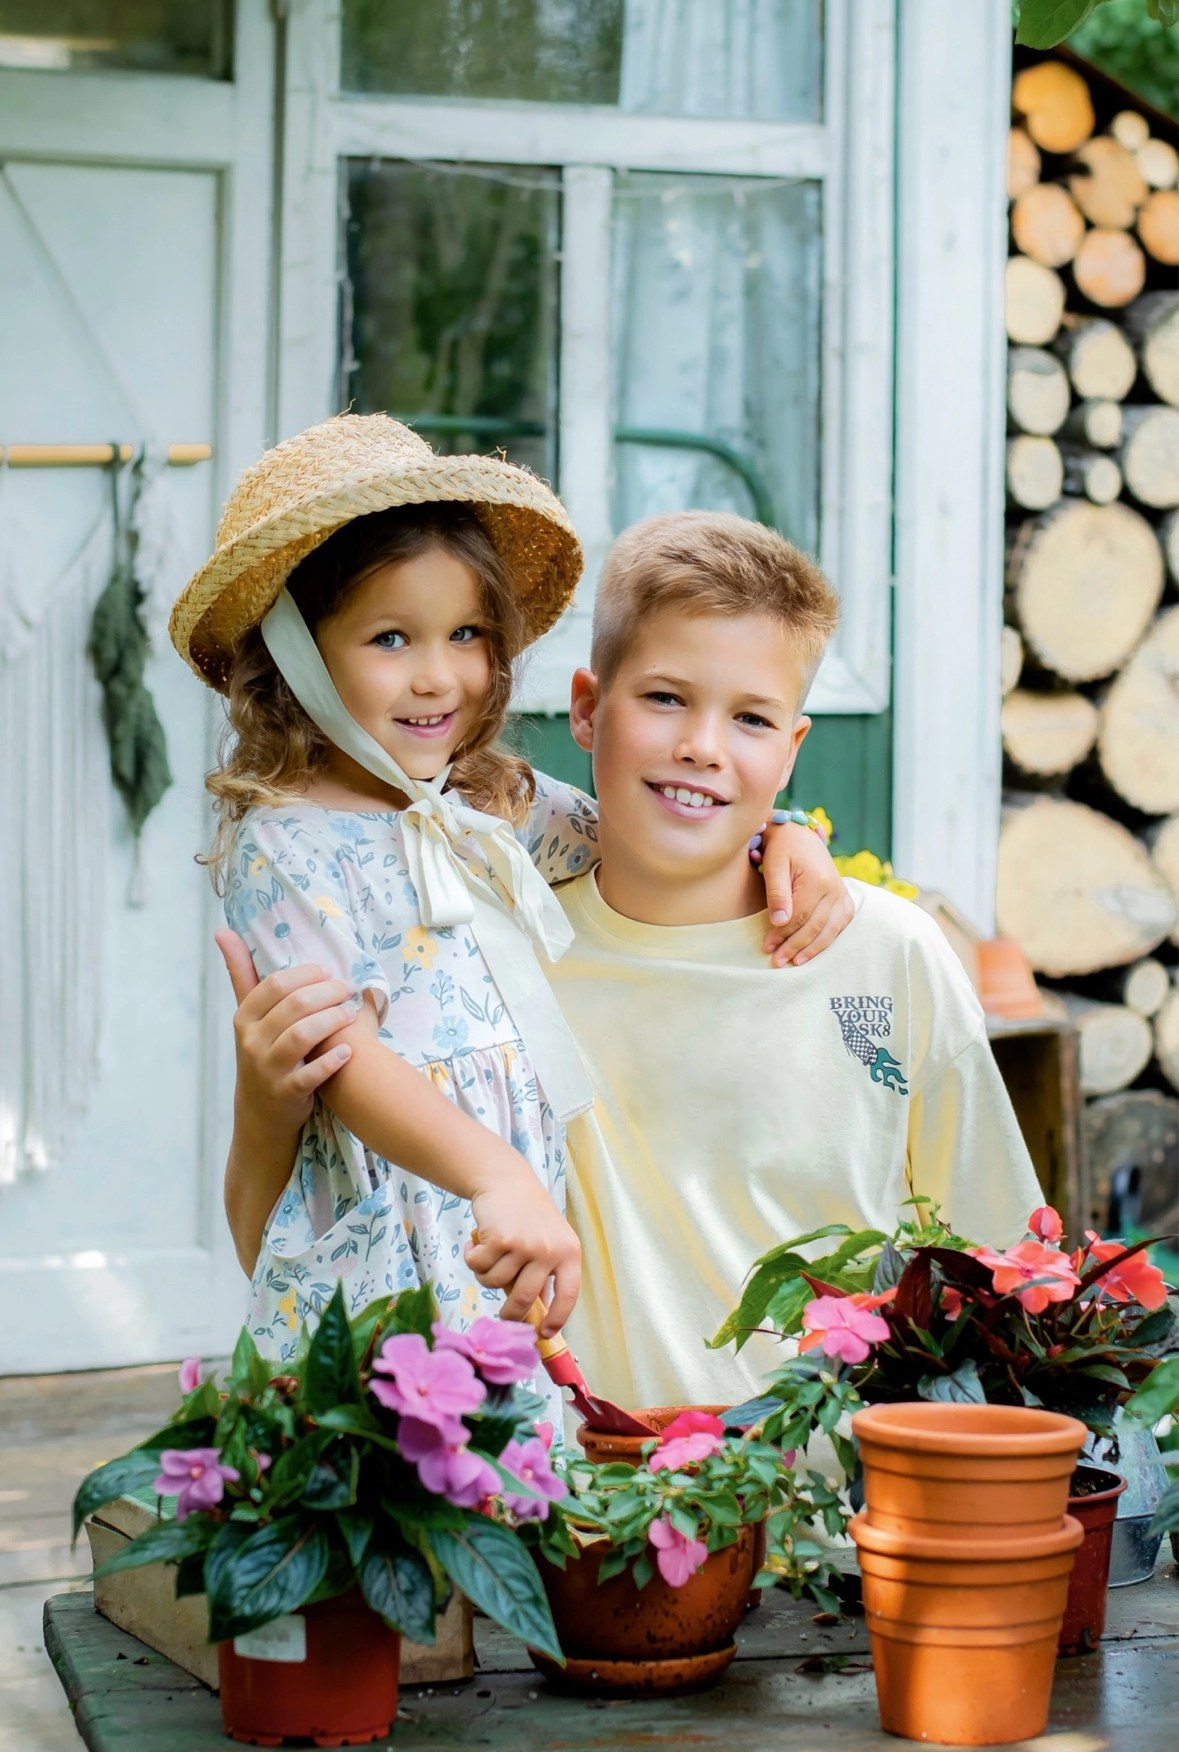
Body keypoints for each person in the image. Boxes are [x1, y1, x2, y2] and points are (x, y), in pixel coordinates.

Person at [224, 507, 1042, 1416]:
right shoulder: (510, 937)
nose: (701, 744)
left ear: (791, 748)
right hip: (578, 1487)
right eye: (663, 698)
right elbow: (292, 1233)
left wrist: (789, 834)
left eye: (751, 718)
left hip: (847, 1501)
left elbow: (998, 1266)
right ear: (586, 707)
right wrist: (265, 1105)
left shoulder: (885, 954)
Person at [172, 416, 848, 1373]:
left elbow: (654, 826)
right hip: (395, 1217)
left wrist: (790, 839)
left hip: (503, 1230)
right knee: (409, 1465)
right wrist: (497, 1176)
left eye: (466, 635)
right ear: (297, 652)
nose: (437, 675)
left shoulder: (485, 805)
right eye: (390, 636)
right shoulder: (284, 840)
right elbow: (337, 1052)